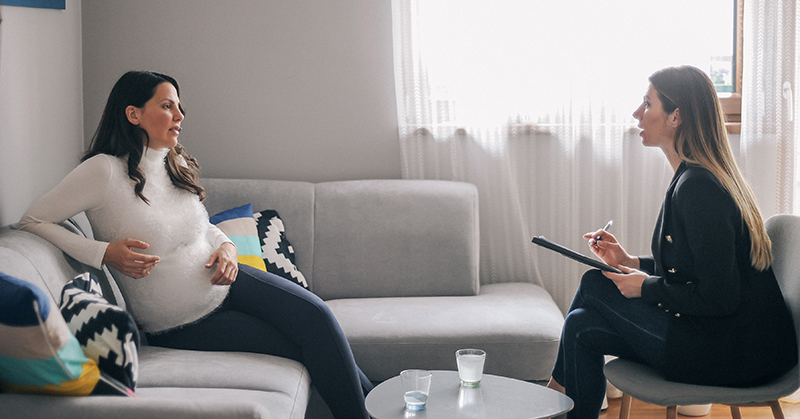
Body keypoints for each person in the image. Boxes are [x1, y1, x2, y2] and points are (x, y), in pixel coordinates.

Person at [19, 70, 373, 419]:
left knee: (317, 316)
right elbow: (32, 220)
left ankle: (382, 404)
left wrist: (228, 249)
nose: (180, 116)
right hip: (185, 321)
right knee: (300, 347)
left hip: (230, 282)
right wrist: (104, 253)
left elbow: (203, 227)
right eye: (168, 106)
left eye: (179, 107)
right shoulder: (103, 171)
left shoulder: (172, 159)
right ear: (134, 114)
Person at [545, 65, 798, 419]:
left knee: (592, 283)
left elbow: (720, 296)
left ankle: (552, 396)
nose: (637, 113)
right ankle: (558, 400)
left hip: (733, 355)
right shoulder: (693, 177)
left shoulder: (699, 188)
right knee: (580, 326)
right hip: (729, 342)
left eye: (647, 104)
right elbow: (697, 266)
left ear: (676, 116)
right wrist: (633, 262)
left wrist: (645, 288)